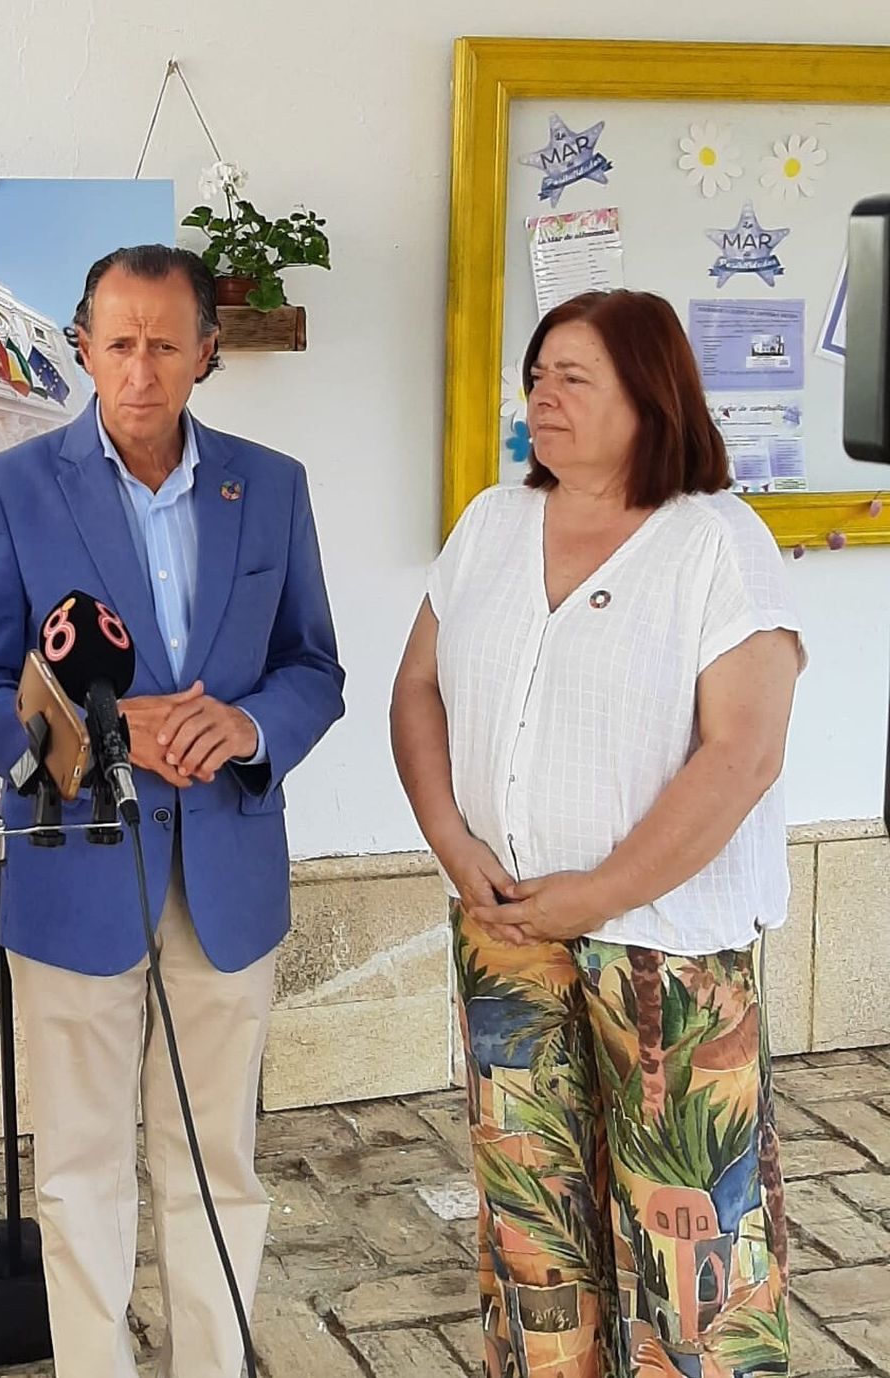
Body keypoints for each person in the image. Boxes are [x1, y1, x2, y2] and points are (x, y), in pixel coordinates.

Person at [0, 245, 345, 1378]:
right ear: (81, 348)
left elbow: (313, 667)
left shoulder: (272, 485)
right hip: (74, 881)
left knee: (219, 1165)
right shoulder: (16, 489)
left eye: (165, 343)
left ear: (207, 351)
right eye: (118, 343)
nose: (141, 369)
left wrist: (247, 727)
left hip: (226, 881)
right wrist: (95, 739)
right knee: (77, 1173)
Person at [391, 289, 801, 1377]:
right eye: (537, 374)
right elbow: (417, 688)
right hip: (505, 928)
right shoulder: (489, 523)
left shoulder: (717, 542)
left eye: (574, 377)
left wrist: (602, 888)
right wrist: (449, 836)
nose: (543, 395)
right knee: (530, 1221)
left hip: (666, 951)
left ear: (649, 395)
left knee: (689, 1238)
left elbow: (742, 753)